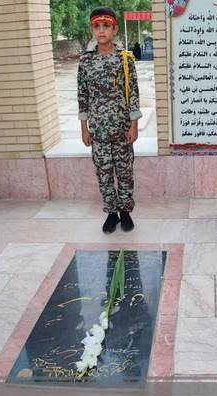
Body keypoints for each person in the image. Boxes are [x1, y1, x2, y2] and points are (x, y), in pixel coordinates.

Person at [78, 7, 142, 234]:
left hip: (123, 128)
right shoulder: (85, 62)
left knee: (125, 171)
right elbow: (82, 95)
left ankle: (125, 212)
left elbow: (133, 93)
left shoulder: (125, 59)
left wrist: (134, 125)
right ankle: (111, 214)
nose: (101, 30)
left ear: (114, 29)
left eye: (106, 26)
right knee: (103, 172)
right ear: (91, 29)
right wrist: (84, 128)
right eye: (97, 26)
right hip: (98, 131)